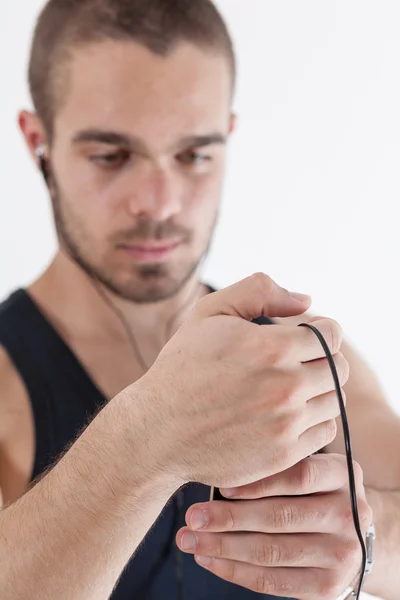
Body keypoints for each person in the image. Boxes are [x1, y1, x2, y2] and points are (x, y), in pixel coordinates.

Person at [0, 1, 398, 598]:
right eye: (111, 155)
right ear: (40, 142)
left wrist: (372, 540)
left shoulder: (293, 359)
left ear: (228, 138)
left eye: (194, 155)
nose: (160, 203)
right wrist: (148, 435)